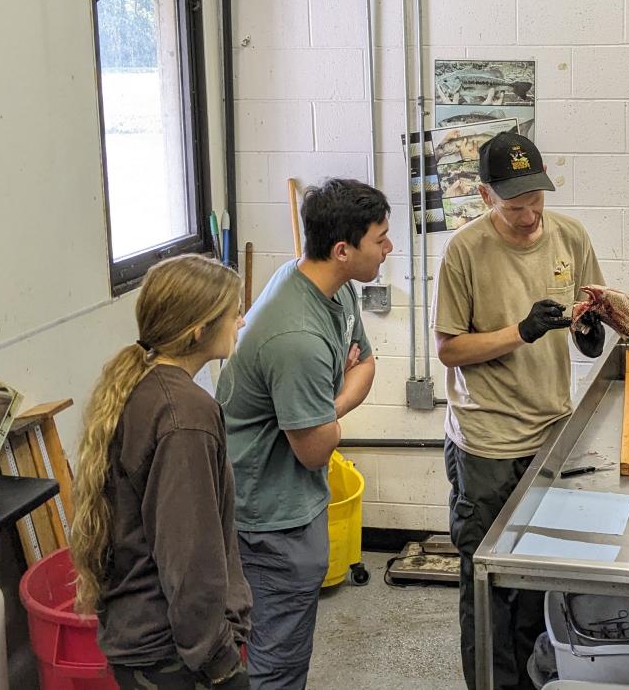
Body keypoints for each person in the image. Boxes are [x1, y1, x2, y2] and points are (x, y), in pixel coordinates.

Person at [434, 130, 607, 690]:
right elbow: (450, 349)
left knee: (535, 580)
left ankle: (533, 681)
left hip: (549, 436)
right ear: (486, 197)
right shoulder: (464, 251)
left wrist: (589, 331)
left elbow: (594, 310)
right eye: (515, 206)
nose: (530, 215)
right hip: (485, 441)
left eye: (536, 200)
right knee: (487, 584)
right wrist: (521, 331)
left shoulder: (570, 236)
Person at [220, 178, 391, 690]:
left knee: (281, 647)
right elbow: (316, 449)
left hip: (293, 499)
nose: (389, 248)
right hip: (268, 516)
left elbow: (368, 366)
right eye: (379, 238)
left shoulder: (330, 292)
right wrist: (329, 401)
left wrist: (325, 404)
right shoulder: (295, 334)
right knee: (277, 661)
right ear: (343, 250)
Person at [69, 254, 252, 690]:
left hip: (142, 638)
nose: (241, 323)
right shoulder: (186, 414)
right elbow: (189, 555)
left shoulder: (143, 385)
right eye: (233, 314)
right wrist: (220, 663)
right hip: (172, 655)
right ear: (198, 329)